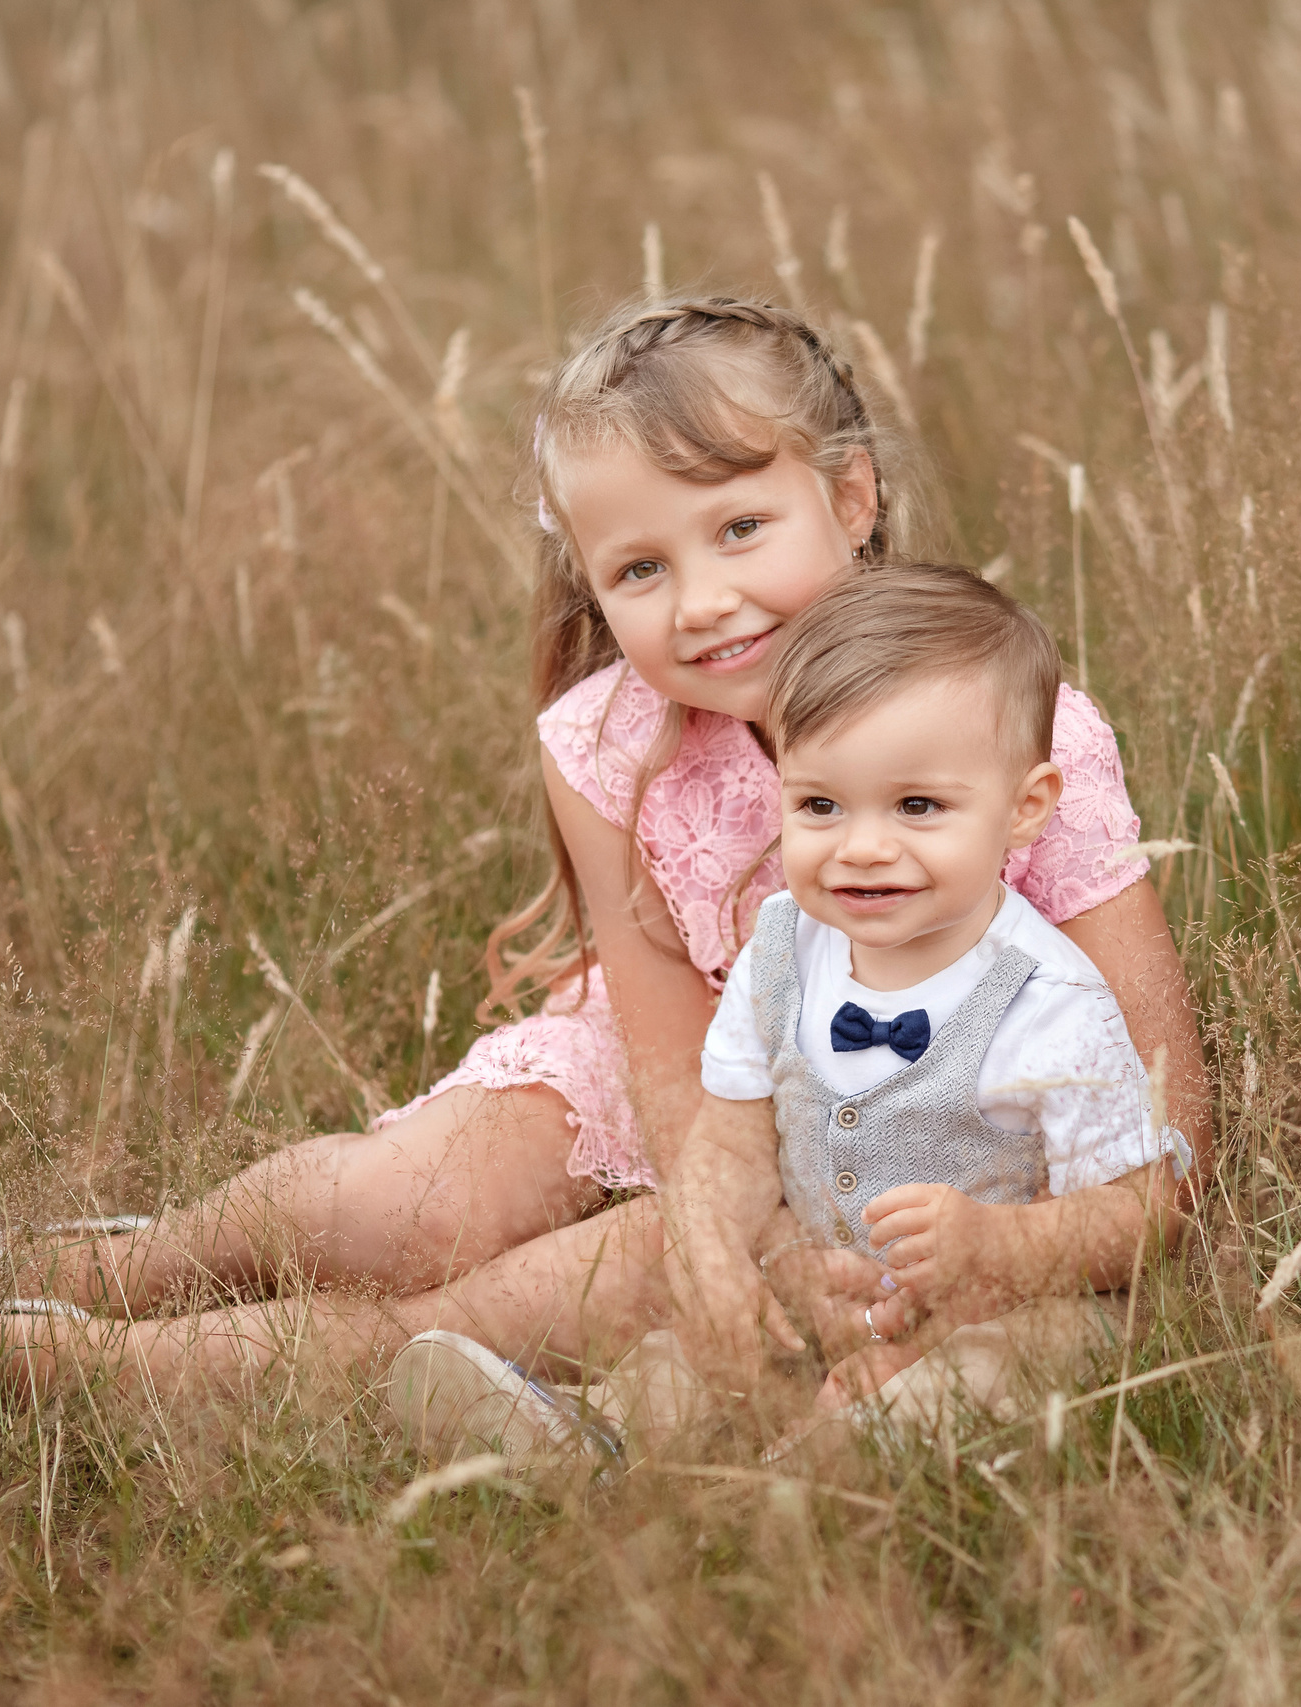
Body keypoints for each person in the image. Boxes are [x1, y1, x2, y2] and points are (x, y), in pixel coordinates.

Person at [0, 296, 1210, 1412]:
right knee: (402, 1206)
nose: (705, 599)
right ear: (593, 585)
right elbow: (671, 1054)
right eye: (639, 569)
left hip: (883, 1120)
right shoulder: (607, 739)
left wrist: (788, 1243)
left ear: (849, 496)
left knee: (489, 1307)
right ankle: (146, 1261)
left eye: (740, 528)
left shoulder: (1003, 732)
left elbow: (1160, 1101)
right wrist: (734, 1218)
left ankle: (53, 1374)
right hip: (669, 1076)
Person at [387, 567, 1191, 1458]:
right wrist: (717, 1250)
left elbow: (1142, 1212)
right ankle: (589, 1437)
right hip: (824, 1284)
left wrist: (996, 1247)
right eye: (820, 805)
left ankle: (825, 1474)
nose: (865, 846)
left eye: (918, 806)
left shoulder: (1051, 1003)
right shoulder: (783, 950)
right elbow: (730, 1140)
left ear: (1026, 807)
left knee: (989, 1372)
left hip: (1010, 1301)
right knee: (686, 1357)